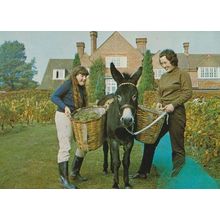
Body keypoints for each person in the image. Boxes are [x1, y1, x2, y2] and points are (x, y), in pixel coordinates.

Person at [132, 49, 193, 179]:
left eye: (165, 62)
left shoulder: (182, 74)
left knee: (177, 146)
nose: (164, 66)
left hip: (176, 114)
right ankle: (143, 172)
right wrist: (159, 103)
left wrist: (173, 105)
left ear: (172, 60)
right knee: (150, 141)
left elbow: (187, 93)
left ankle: (178, 175)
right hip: (162, 114)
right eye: (162, 63)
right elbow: (159, 93)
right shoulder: (164, 76)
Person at [51, 66, 89, 189]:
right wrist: (64, 106)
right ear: (75, 75)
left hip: (76, 118)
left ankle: (75, 172)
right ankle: (64, 180)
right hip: (63, 116)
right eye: (81, 75)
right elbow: (54, 96)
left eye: (85, 76)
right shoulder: (68, 84)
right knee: (65, 146)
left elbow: (83, 106)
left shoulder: (82, 89)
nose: (84, 78)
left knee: (84, 144)